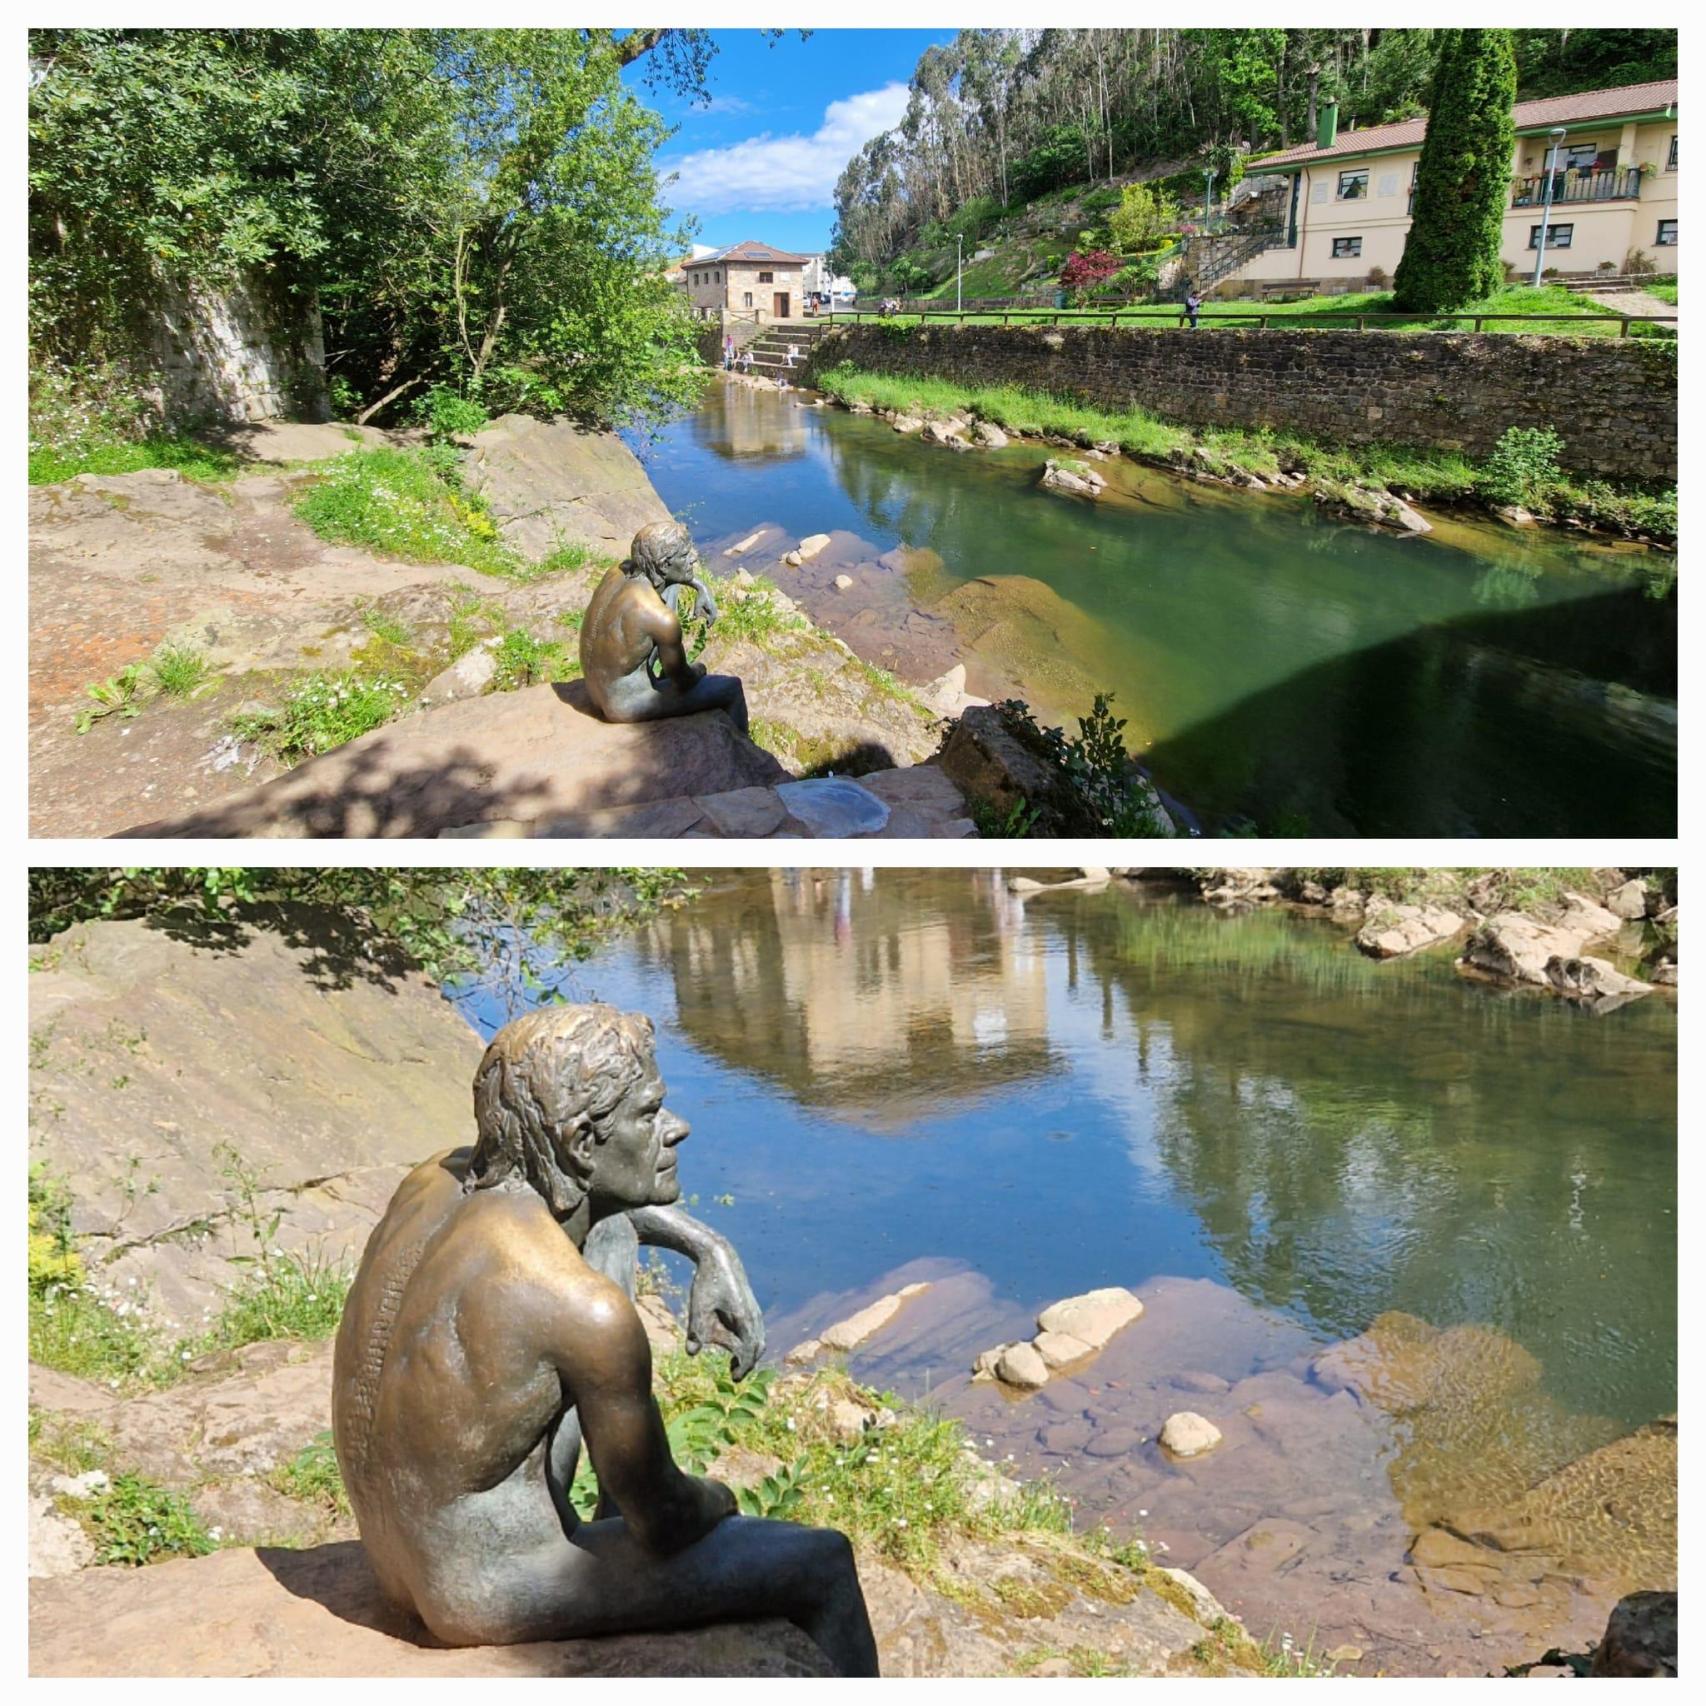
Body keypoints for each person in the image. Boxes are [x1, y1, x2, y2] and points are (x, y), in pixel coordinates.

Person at [332, 1005, 879, 1674]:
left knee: (610, 1227)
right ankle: (620, 1513)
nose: (677, 1128)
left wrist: (707, 1245)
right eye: (649, 1116)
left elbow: (581, 1194)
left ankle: (612, 1500)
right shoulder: (579, 1307)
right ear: (584, 1143)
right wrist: (720, 1499)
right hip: (485, 1589)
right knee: (823, 1564)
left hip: (399, 1552)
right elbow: (670, 1520)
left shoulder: (430, 1184)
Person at [577, 521, 749, 733]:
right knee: (731, 688)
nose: (694, 557)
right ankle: (740, 753)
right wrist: (699, 669)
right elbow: (683, 681)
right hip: (624, 704)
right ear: (665, 564)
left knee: (670, 589)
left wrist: (699, 585)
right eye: (685, 555)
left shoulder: (617, 572)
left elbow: (663, 577)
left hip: (596, 687)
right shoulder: (660, 618)